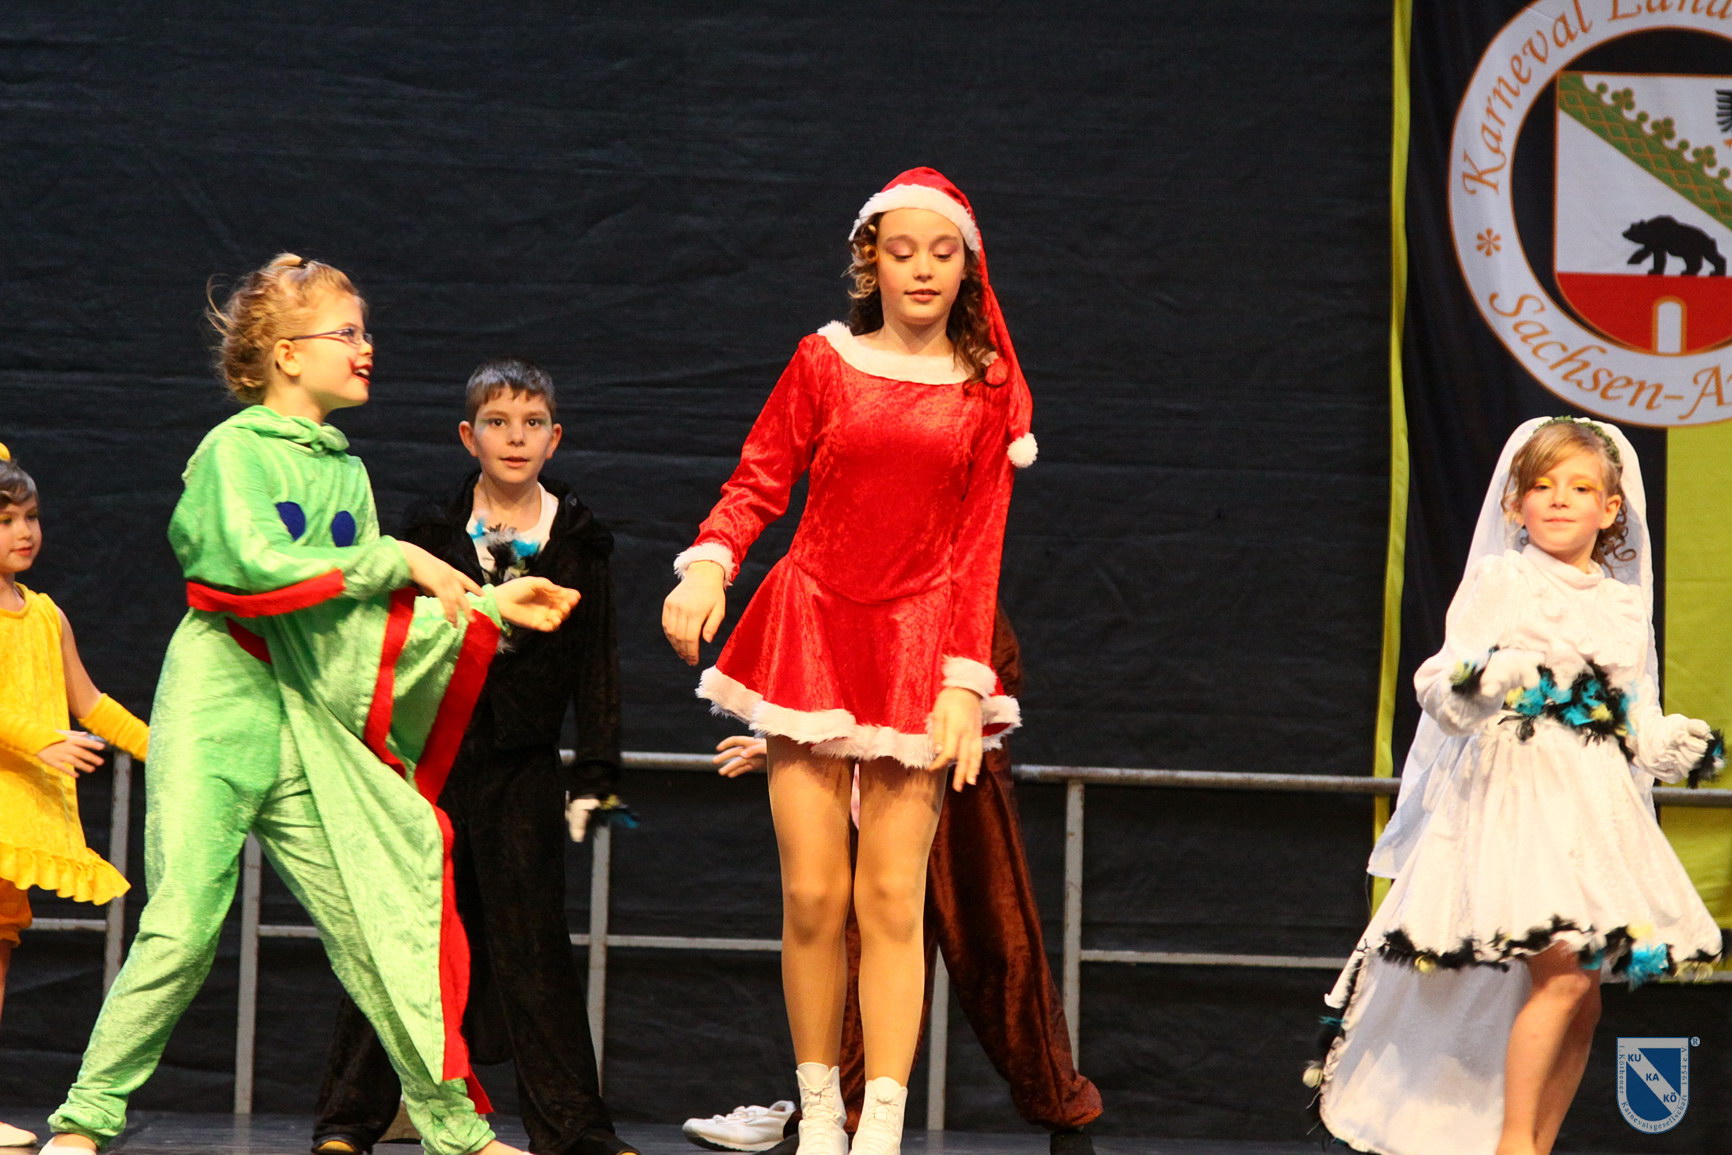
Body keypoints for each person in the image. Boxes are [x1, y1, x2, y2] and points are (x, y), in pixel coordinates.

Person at [40, 255, 577, 1155]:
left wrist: (487, 606)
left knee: (376, 919)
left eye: (365, 332)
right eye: (347, 332)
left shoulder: (347, 473)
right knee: (182, 925)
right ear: (288, 354)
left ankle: (455, 1129)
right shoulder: (233, 452)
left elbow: (359, 622)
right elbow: (244, 567)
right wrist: (397, 556)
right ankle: (86, 1117)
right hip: (218, 703)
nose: (367, 348)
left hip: (306, 713)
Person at [662, 168, 1034, 1155]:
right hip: (813, 630)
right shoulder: (823, 362)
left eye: (941, 253)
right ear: (871, 262)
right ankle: (820, 1112)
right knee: (814, 895)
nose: (922, 270)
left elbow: (978, 549)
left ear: (967, 268)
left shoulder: (985, 391)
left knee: (891, 897)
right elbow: (758, 478)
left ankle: (881, 1129)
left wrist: (964, 681)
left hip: (918, 646)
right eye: (901, 251)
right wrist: (709, 566)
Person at [1309, 417, 1725, 1155]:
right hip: (1516, 797)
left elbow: (1633, 709)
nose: (1559, 499)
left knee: (1583, 993)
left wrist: (1667, 743)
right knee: (1562, 974)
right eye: (1542, 485)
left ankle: (1535, 1141)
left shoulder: (1622, 602)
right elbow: (1440, 683)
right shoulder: (1505, 579)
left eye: (1580, 487)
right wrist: (1483, 678)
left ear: (1611, 508)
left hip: (1591, 805)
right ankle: (1511, 1146)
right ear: (1516, 503)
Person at [311, 357, 635, 1155]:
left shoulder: (579, 538)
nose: (514, 437)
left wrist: (595, 771)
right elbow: (390, 640)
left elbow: (597, 661)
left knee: (534, 944)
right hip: (434, 761)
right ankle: (350, 1116)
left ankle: (575, 1127)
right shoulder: (430, 531)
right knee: (403, 929)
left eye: (531, 423)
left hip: (523, 767)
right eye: (497, 422)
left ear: (554, 437)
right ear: (469, 435)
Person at [684, 608, 1100, 1155]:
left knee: (996, 940)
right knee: (845, 920)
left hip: (945, 738)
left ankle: (1061, 1108)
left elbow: (981, 632)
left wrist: (964, 698)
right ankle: (835, 1118)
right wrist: (811, 744)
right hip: (865, 732)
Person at [0, 445, 149, 1149]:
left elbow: (89, 702)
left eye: (30, 516)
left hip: (18, 818)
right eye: (5, 520)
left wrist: (164, 749)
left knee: (0, 951)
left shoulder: (46, 614)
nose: (24, 532)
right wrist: (40, 739)